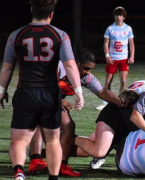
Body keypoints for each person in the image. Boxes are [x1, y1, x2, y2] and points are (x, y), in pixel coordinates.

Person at [0, 0, 84, 180]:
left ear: (32, 10)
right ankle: (53, 178)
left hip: (26, 91)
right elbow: (69, 64)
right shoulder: (60, 35)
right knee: (53, 139)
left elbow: (7, 67)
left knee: (19, 140)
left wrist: (1, 90)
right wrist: (78, 91)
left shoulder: (16, 35)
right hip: (50, 93)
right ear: (51, 14)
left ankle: (19, 172)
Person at [27, 49, 121, 176]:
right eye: (86, 68)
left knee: (68, 125)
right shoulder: (58, 67)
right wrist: (59, 100)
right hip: (35, 96)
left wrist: (120, 102)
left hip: (52, 101)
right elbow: (40, 86)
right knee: (41, 119)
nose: (88, 72)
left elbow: (102, 92)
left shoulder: (85, 77)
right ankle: (36, 159)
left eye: (90, 69)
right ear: (76, 63)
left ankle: (60, 163)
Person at [96, 6, 135, 110]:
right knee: (108, 81)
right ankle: (105, 102)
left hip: (124, 59)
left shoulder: (128, 28)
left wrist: (131, 56)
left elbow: (131, 44)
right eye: (117, 15)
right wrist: (107, 56)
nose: (119, 17)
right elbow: (105, 43)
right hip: (112, 58)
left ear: (124, 17)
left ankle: (120, 100)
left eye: (121, 15)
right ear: (114, 16)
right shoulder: (110, 28)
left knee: (123, 81)